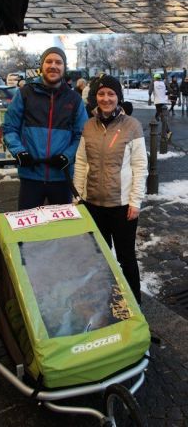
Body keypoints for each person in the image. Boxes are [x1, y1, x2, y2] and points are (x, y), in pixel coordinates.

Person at [73, 75, 148, 303]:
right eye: (102, 93)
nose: (106, 98)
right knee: (100, 257)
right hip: (93, 204)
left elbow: (139, 165)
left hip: (122, 205)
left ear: (118, 97)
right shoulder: (89, 125)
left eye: (111, 94)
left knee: (126, 258)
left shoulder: (132, 126)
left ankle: (134, 304)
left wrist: (135, 201)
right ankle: (106, 300)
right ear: (96, 97)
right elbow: (81, 162)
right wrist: (77, 198)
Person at [3, 46, 88, 209]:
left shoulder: (74, 99)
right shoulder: (25, 93)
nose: (53, 66)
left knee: (60, 230)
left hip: (61, 176)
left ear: (64, 67)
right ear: (41, 66)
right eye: (49, 61)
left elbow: (82, 135)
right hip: (31, 174)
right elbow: (9, 127)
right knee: (28, 229)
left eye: (58, 62)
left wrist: (67, 156)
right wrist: (19, 151)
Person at [152, 73, 171, 142]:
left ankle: (168, 132)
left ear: (155, 78)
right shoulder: (163, 83)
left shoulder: (154, 83)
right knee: (162, 117)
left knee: (160, 117)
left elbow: (150, 90)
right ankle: (165, 131)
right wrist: (164, 93)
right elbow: (169, 91)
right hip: (163, 102)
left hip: (157, 102)